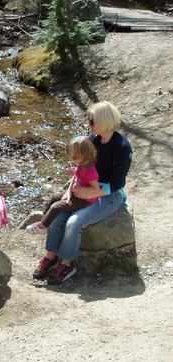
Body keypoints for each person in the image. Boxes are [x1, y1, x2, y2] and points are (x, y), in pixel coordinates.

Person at [33, 101, 132, 285]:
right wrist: (70, 190)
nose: (89, 125)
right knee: (59, 215)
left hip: (109, 194)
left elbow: (118, 182)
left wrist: (89, 192)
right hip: (87, 188)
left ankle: (67, 264)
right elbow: (81, 166)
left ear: (102, 121)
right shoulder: (93, 140)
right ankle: (50, 257)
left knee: (73, 222)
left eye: (92, 121)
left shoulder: (122, 147)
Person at [26, 136, 100, 234]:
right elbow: (80, 177)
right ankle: (45, 218)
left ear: (84, 155)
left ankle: (43, 227)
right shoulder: (82, 164)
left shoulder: (90, 170)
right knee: (55, 196)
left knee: (57, 207)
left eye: (75, 157)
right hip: (76, 193)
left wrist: (79, 188)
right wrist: (74, 172)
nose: (73, 160)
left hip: (85, 200)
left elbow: (96, 189)